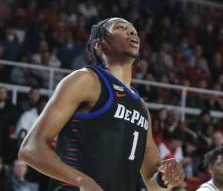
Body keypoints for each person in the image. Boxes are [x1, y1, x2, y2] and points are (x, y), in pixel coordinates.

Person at [18, 17, 184, 191]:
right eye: (120, 27)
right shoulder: (86, 80)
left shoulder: (142, 107)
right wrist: (81, 180)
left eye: (133, 30)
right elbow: (30, 148)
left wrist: (167, 178)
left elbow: (153, 183)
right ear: (99, 45)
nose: (131, 32)